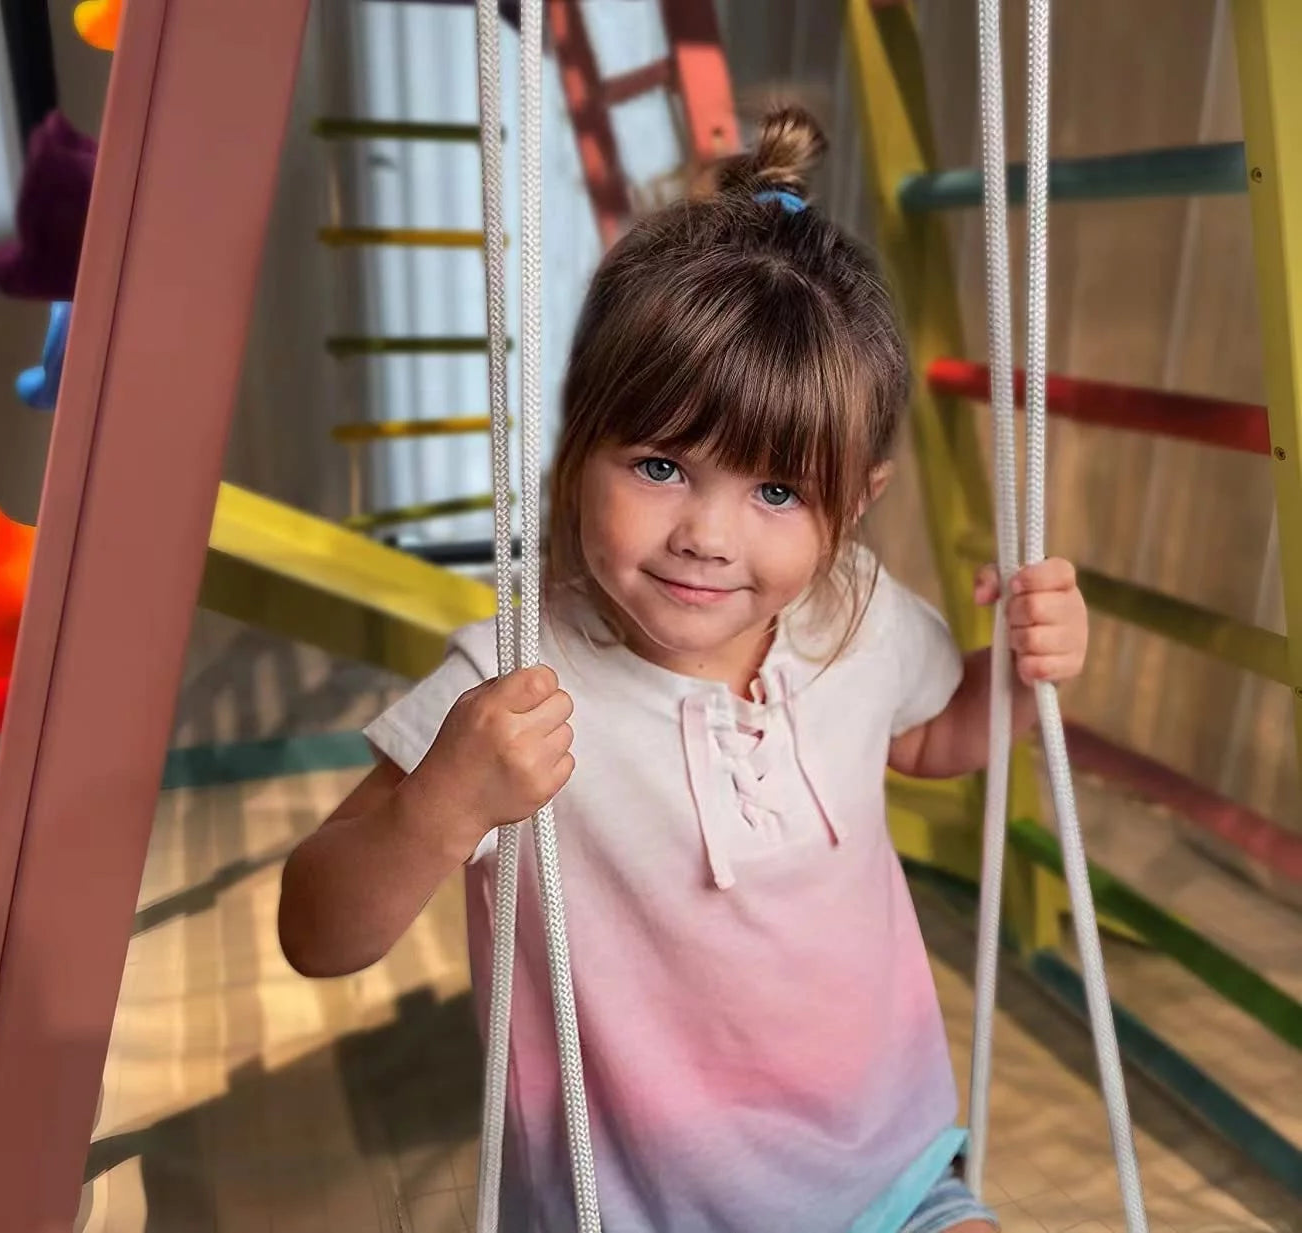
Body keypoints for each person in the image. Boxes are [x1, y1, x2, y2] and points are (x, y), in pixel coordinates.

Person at [277, 106, 1088, 1233]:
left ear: (855, 505)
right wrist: (441, 807)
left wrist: (1019, 674)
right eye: (660, 465)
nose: (708, 535)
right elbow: (318, 933)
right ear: (580, 450)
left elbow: (931, 739)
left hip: (885, 1172)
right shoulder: (513, 684)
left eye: (776, 492)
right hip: (638, 1208)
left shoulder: (853, 614)